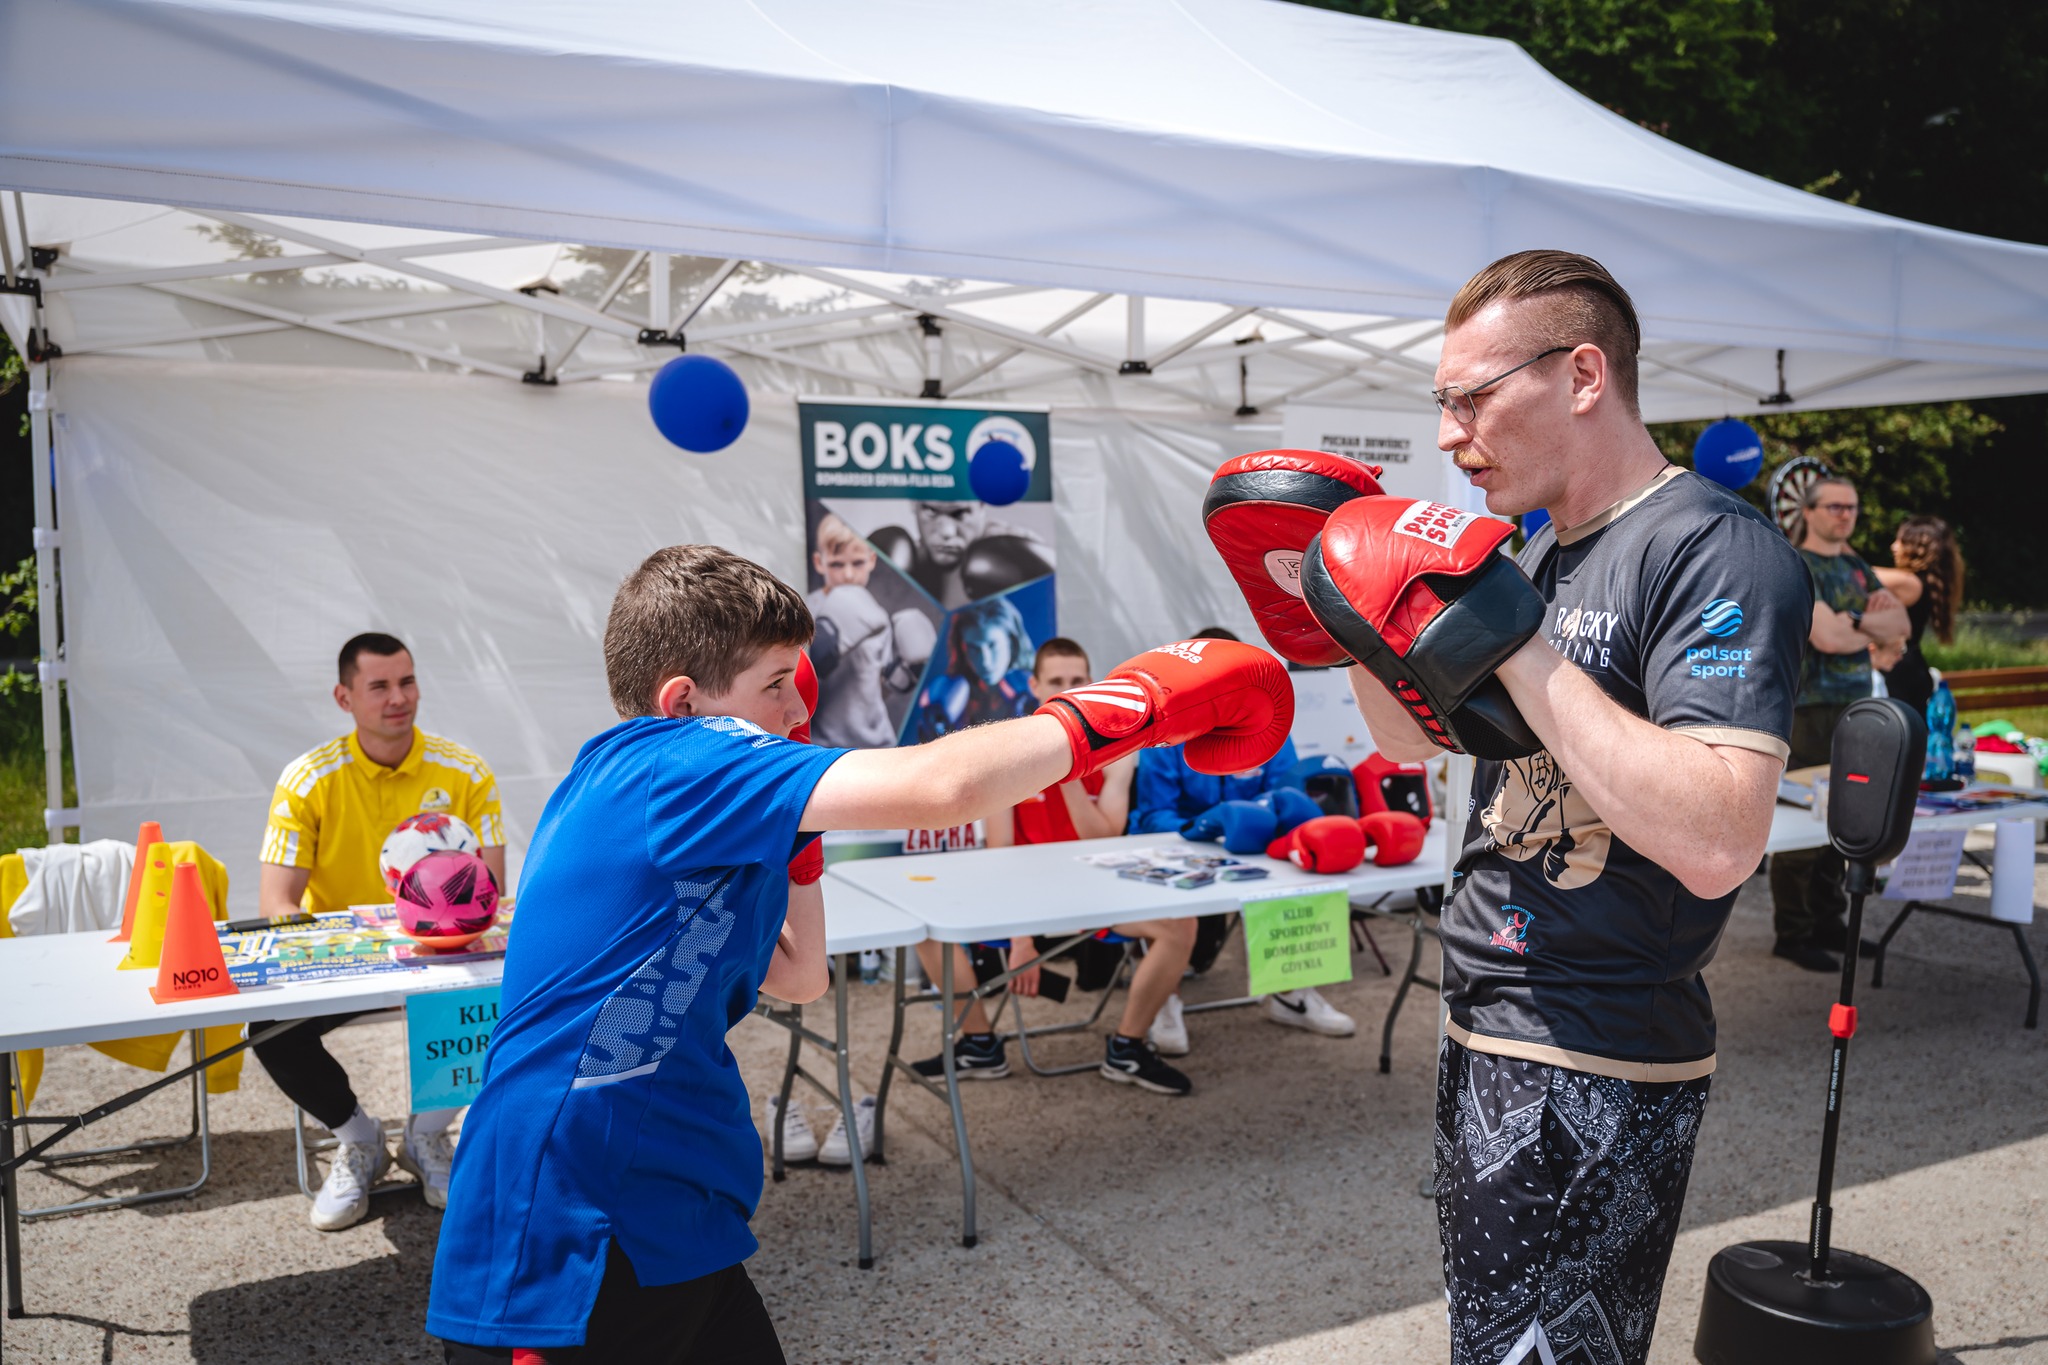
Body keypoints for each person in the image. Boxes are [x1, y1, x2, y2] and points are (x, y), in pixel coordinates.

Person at [427, 545, 1291, 1361]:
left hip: (669, 1203)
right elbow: (946, 784)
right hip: (562, 1225)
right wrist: (1137, 701)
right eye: (776, 684)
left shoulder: (664, 797)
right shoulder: (671, 762)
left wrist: (798, 843)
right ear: (682, 701)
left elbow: (802, 976)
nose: (798, 709)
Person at [1215, 250, 1812, 1365]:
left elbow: (1719, 837)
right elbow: (1418, 737)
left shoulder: (1712, 548)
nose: (1449, 434)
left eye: (1470, 398)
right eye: (1440, 402)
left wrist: (1515, 640)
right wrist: (1342, 616)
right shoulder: (1533, 556)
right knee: (1486, 1346)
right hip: (1486, 1014)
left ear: (1581, 375)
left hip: (1595, 1048)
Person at [252, 633, 507, 1230]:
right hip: (350, 968)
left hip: (441, 956)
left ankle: (427, 1137)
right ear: (344, 698)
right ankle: (359, 1140)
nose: (399, 698)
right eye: (380, 686)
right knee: (268, 1029)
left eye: (407, 681)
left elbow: (489, 894)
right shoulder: (308, 778)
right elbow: (277, 903)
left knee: (502, 1004)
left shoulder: (465, 771)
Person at [908, 638, 1195, 1096]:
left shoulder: (1119, 750)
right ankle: (979, 1043)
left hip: (1096, 888)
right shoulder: (1006, 751)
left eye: (1077, 680)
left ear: (1092, 683)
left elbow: (1104, 838)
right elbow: (1000, 852)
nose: (1067, 688)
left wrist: (1067, 769)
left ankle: (1128, 1046)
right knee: (924, 926)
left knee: (1180, 926)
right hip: (1025, 891)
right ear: (1035, 686)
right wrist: (1021, 936)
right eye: (1056, 681)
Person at [1127, 627, 1356, 1046]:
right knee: (1166, 897)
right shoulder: (1164, 732)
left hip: (1252, 849)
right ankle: (1165, 998)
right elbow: (1153, 814)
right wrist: (1209, 828)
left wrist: (1249, 824)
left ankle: (1290, 994)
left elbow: (1286, 797)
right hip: (1181, 849)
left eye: (1230, 680)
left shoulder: (1269, 727)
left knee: (1302, 875)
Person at [1767, 475, 1910, 972]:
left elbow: (1901, 627)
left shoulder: (1855, 567)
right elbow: (1825, 637)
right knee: (1802, 820)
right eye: (1835, 507)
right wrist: (1868, 625)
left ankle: (1829, 921)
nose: (1845, 515)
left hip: (1856, 705)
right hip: (1807, 708)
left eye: (1851, 507)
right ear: (1808, 511)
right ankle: (1793, 932)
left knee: (1844, 818)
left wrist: (1852, 621)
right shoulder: (1795, 564)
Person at [805, 512, 935, 748]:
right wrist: (824, 642)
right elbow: (795, 682)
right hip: (825, 744)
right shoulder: (805, 609)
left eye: (857, 563)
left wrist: (905, 672)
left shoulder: (875, 611)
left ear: (872, 560)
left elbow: (876, 687)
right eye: (836, 564)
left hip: (878, 743)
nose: (848, 574)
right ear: (819, 563)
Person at [871, 501, 1053, 611]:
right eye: (931, 511)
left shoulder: (1017, 547)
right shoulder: (902, 559)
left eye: (960, 514)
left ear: (982, 505)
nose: (947, 532)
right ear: (913, 504)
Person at [1873, 513, 1965, 717]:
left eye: (1900, 541)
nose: (1893, 547)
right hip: (1911, 670)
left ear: (1917, 548)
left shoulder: (1910, 583)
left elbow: (1854, 573)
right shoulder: (1926, 582)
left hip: (1900, 673)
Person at [913, 596, 1037, 741]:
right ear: (962, 649)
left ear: (1011, 642)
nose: (985, 661)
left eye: (992, 645)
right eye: (974, 648)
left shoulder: (1033, 688)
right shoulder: (947, 693)